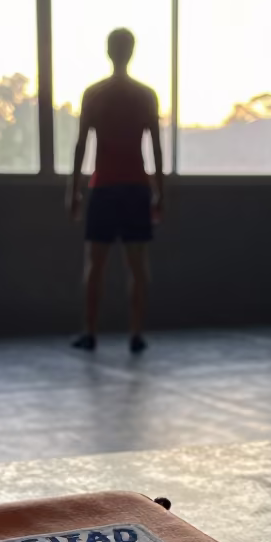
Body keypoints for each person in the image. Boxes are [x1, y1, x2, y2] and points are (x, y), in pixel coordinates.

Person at [68, 28, 163, 354]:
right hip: (135, 188)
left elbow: (81, 145)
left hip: (106, 189)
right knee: (136, 265)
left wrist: (73, 192)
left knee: (96, 264)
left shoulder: (95, 94)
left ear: (109, 52)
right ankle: (134, 334)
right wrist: (159, 192)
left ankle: (91, 333)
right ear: (131, 51)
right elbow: (157, 149)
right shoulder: (145, 95)